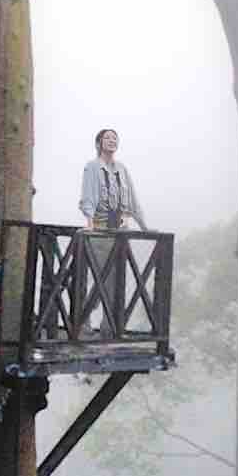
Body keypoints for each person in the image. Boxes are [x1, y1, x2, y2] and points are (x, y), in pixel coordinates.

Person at [76, 127, 146, 337]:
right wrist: (90, 223)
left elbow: (132, 199)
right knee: (98, 280)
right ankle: (83, 324)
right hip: (100, 231)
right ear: (98, 143)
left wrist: (144, 226)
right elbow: (87, 197)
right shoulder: (92, 167)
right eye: (107, 138)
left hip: (120, 233)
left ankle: (109, 328)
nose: (111, 141)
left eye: (114, 138)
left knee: (115, 282)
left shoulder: (122, 169)